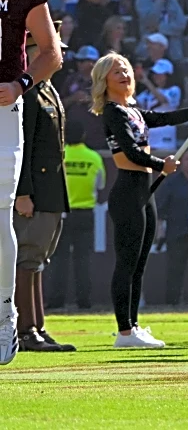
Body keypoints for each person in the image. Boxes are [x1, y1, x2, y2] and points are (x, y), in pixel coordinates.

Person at [90, 52, 188, 349]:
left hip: (144, 191)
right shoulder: (113, 112)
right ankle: (124, 331)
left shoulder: (133, 110)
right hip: (128, 192)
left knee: (139, 264)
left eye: (126, 69)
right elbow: (130, 151)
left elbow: (164, 118)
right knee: (126, 263)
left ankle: (134, 325)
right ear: (104, 80)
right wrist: (162, 164)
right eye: (116, 71)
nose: (124, 74)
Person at [0, 0, 62, 366]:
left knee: (0, 213)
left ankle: (5, 316)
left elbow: (50, 53)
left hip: (3, 107)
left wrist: (20, 84)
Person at [13, 25, 74, 352]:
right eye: (52, 49)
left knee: (38, 259)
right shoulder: (29, 93)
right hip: (34, 191)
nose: (59, 55)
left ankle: (37, 325)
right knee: (28, 258)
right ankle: (25, 330)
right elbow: (21, 148)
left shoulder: (46, 89)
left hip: (50, 190)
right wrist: (23, 192)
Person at [47, 120, 105, 310]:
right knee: (83, 259)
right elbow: (101, 185)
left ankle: (56, 300)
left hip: (62, 213)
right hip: (85, 214)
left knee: (59, 258)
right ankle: (84, 301)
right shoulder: (94, 158)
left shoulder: (59, 156)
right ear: (84, 136)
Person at [155, 151, 188, 306]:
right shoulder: (171, 182)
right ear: (181, 162)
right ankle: (172, 303)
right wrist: (160, 232)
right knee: (175, 270)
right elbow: (160, 209)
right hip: (177, 232)